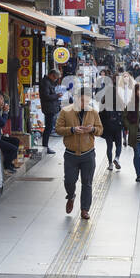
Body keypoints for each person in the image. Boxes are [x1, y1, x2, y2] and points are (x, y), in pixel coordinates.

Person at [55, 83, 103, 218]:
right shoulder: (66, 111)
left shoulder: (93, 112)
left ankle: (85, 209)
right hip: (71, 154)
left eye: (87, 101)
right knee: (69, 181)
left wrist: (92, 129)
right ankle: (71, 196)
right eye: (82, 100)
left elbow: (100, 130)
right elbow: (58, 129)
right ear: (76, 98)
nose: (84, 103)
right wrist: (72, 130)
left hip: (88, 153)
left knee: (87, 182)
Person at [99, 87, 124, 171]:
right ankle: (117, 158)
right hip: (117, 126)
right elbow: (124, 115)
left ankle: (110, 164)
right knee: (119, 145)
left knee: (109, 146)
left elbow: (100, 116)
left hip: (108, 127)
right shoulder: (120, 102)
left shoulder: (104, 102)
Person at [39, 68, 62, 153]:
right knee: (48, 128)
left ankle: (46, 146)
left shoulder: (48, 82)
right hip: (48, 108)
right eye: (55, 78)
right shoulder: (45, 82)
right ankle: (45, 146)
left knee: (49, 127)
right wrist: (57, 96)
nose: (55, 79)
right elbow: (46, 96)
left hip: (50, 107)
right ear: (51, 75)